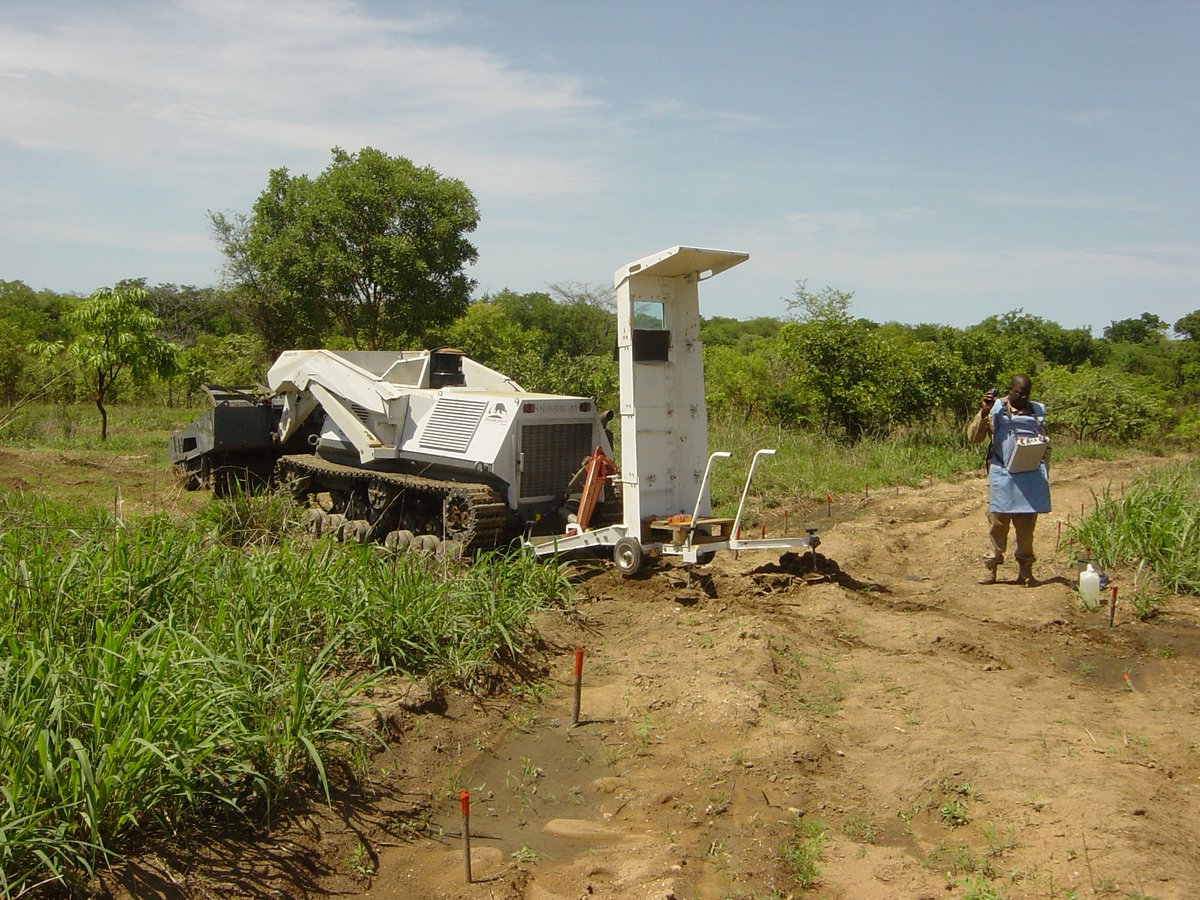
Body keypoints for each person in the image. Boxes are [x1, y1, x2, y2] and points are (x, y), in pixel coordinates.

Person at [966, 374, 1051, 586]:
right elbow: (973, 438)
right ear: (1010, 390)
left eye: (1026, 394)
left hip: (1029, 475)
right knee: (997, 523)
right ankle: (991, 569)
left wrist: (1044, 469)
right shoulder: (994, 409)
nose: (1022, 397)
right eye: (1018, 393)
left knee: (1026, 526)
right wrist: (984, 412)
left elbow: (1046, 445)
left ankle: (1025, 572)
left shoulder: (1037, 412)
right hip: (1002, 473)